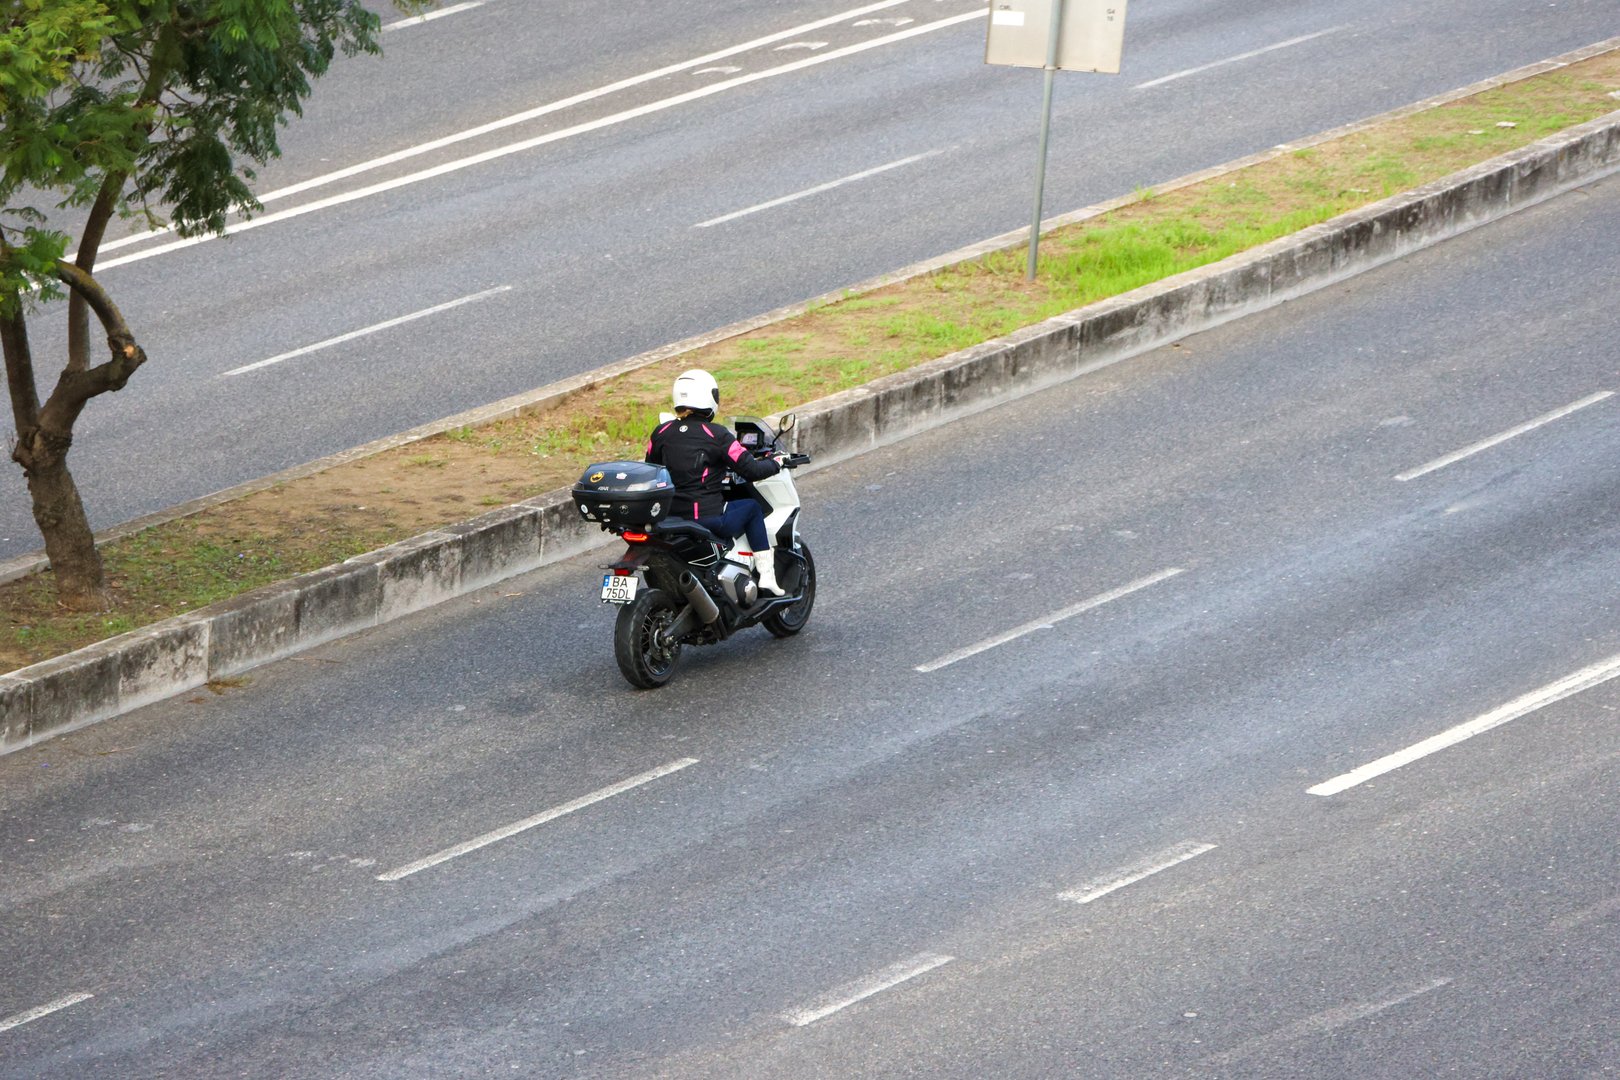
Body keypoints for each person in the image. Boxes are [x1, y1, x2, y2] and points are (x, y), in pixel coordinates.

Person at [644, 369, 785, 595]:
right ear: (709, 397)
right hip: (707, 519)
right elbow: (752, 469)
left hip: (670, 518)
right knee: (752, 508)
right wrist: (776, 462)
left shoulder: (661, 432)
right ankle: (766, 576)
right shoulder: (717, 435)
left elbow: (652, 467)